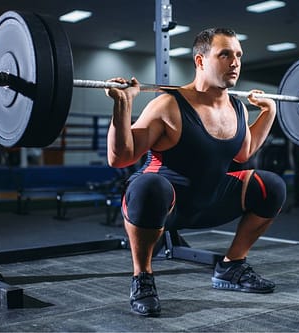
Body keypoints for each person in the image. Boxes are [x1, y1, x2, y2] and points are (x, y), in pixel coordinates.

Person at [105, 27, 286, 317]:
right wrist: (123, 105)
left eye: (238, 55)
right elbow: (120, 157)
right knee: (148, 186)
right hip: (164, 205)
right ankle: (143, 278)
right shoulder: (168, 105)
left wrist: (269, 113)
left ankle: (231, 266)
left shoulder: (237, 108)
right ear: (200, 61)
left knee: (271, 186)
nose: (235, 62)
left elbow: (243, 151)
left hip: (209, 201)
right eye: (224, 54)